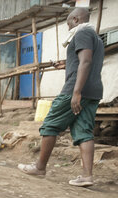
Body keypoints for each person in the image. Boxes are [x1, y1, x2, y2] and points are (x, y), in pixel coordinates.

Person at [18, 7, 104, 187]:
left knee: (50, 124)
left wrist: (76, 92)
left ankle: (40, 168)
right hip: (94, 91)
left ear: (75, 19)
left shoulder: (81, 33)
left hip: (76, 89)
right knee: (84, 131)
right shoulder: (96, 37)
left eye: (67, 23)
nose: (67, 28)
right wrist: (66, 64)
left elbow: (86, 61)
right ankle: (87, 176)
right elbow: (85, 61)